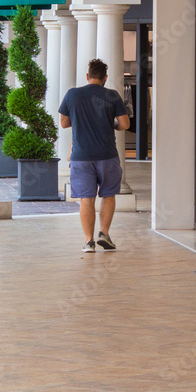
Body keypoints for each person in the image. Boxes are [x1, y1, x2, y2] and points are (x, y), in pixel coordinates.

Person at [58, 58, 130, 253]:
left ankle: (88, 242)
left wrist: (81, 120)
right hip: (107, 155)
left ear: (87, 76)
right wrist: (110, 123)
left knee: (86, 199)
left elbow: (64, 123)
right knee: (108, 195)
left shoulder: (72, 94)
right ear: (105, 78)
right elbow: (124, 124)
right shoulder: (112, 96)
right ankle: (103, 234)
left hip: (81, 157)